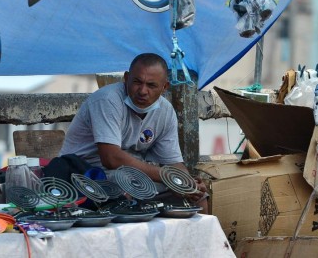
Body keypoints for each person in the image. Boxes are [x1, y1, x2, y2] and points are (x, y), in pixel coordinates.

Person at [58, 52, 208, 210]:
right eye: (137, 82)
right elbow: (111, 158)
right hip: (87, 173)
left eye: (151, 85)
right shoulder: (108, 100)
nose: (143, 91)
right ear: (126, 77)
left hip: (134, 176)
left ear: (165, 87)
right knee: (125, 185)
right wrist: (168, 178)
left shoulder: (165, 111)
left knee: (198, 197)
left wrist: (186, 183)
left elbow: (173, 162)